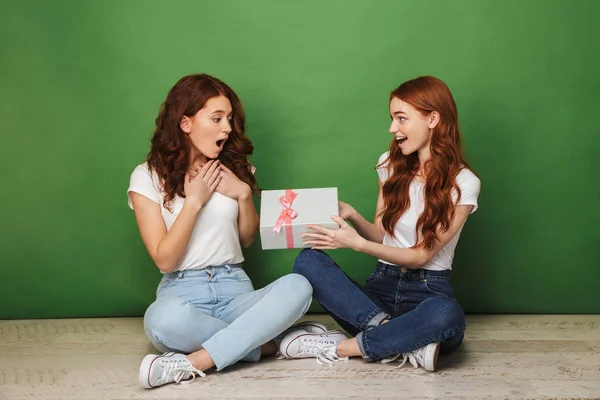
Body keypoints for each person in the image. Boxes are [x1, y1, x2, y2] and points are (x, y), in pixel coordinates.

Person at [127, 73, 325, 388]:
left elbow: (245, 239)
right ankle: (267, 344)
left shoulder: (235, 170)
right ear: (186, 123)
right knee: (161, 321)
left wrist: (244, 194)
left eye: (229, 119)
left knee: (299, 286)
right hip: (182, 292)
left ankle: (195, 361)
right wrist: (193, 203)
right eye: (217, 118)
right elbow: (164, 260)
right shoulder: (147, 176)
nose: (227, 128)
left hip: (235, 288)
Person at [277, 76, 481, 372]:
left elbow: (421, 255)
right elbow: (383, 236)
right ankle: (398, 339)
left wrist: (356, 244)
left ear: (433, 119)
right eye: (392, 118)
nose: (392, 128)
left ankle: (345, 347)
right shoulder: (390, 163)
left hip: (428, 291)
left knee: (446, 314)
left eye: (401, 118)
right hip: (379, 290)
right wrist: (354, 217)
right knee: (308, 261)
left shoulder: (464, 183)